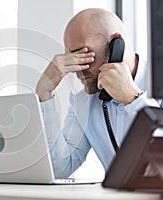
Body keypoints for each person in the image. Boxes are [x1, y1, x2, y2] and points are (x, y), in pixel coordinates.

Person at [35, 8, 160, 179]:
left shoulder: (158, 84)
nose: (76, 69)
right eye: (70, 58)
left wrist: (134, 100)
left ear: (117, 44)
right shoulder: (84, 102)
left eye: (82, 54)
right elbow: (59, 169)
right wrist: (44, 93)